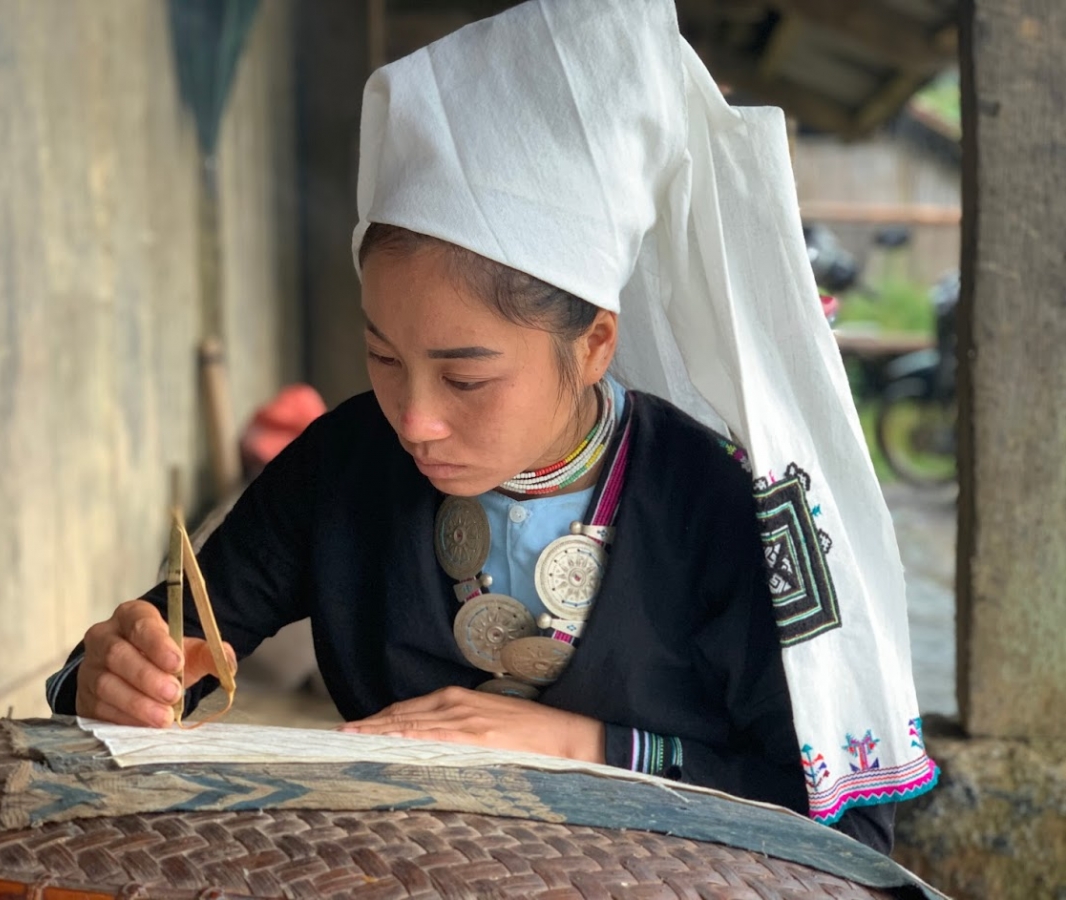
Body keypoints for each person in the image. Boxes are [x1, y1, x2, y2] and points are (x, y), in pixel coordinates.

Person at [46, 0, 937, 856]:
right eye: (383, 358)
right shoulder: (345, 465)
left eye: (466, 376)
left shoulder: (717, 504)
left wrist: (585, 744)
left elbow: (841, 831)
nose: (417, 420)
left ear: (593, 345)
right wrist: (117, 677)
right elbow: (179, 643)